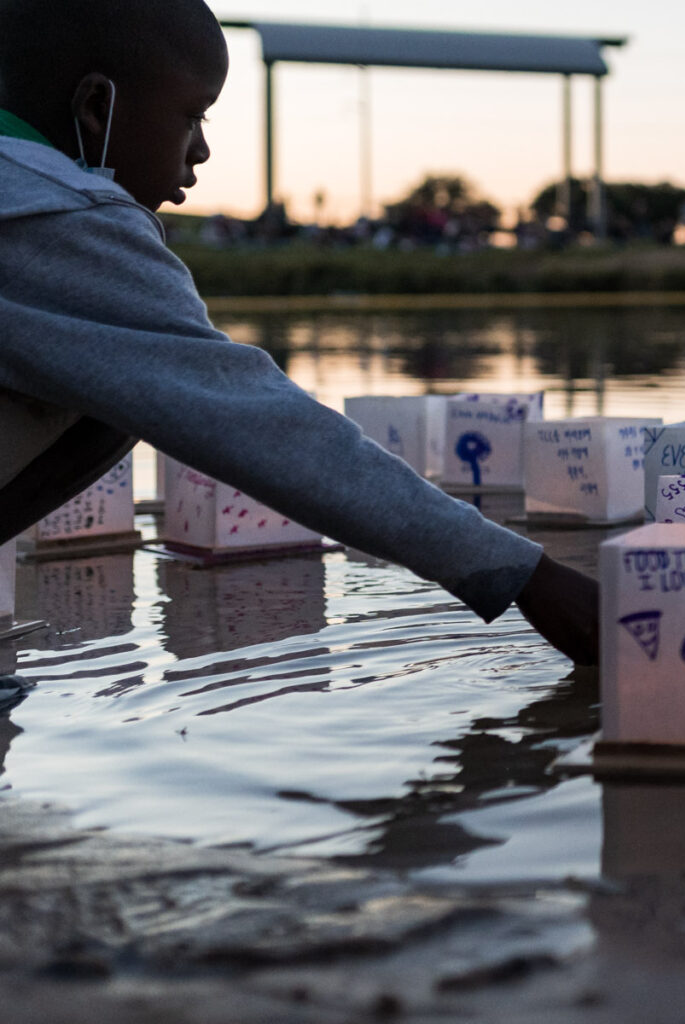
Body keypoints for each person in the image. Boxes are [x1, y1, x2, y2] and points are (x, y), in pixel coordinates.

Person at [0, 0, 598, 663]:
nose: (201, 148)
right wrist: (526, 575)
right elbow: (256, 421)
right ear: (96, 109)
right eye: (193, 116)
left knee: (131, 385)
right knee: (143, 394)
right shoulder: (54, 216)